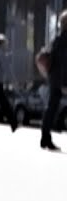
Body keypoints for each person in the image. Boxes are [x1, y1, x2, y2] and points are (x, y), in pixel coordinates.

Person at [39, 10, 67, 151]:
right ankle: (45, 138)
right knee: (52, 108)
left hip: (54, 78)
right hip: (59, 80)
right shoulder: (64, 40)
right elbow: (63, 63)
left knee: (51, 108)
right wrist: (63, 84)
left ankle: (45, 138)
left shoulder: (58, 39)